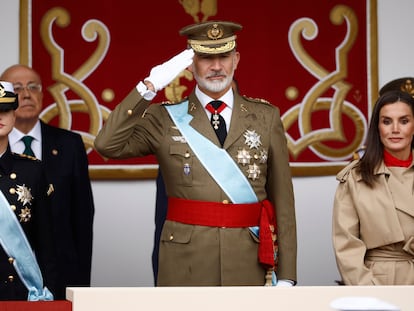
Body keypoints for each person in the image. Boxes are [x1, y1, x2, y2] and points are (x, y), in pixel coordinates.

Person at [95, 20, 297, 286]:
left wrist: (288, 276)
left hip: (248, 260)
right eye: (205, 57)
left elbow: (283, 204)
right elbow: (107, 145)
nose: (216, 66)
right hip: (185, 262)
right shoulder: (164, 117)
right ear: (189, 64)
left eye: (223, 56)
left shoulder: (265, 117)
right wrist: (147, 88)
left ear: (236, 59)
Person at [0, 65, 95, 299]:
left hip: (54, 276)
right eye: (18, 88)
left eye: (33, 87)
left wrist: (80, 286)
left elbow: (82, 220)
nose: (26, 94)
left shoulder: (70, 145)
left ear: (43, 94)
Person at [333, 90, 414, 285]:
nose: (395, 129)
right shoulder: (355, 177)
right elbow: (346, 245)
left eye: (404, 121)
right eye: (387, 121)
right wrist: (369, 293)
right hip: (377, 280)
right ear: (377, 128)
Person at [0, 81, 56, 300]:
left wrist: (49, 293)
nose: (0, 117)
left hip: (21, 291)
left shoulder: (32, 171)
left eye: (5, 110)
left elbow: (47, 245)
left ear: (14, 116)